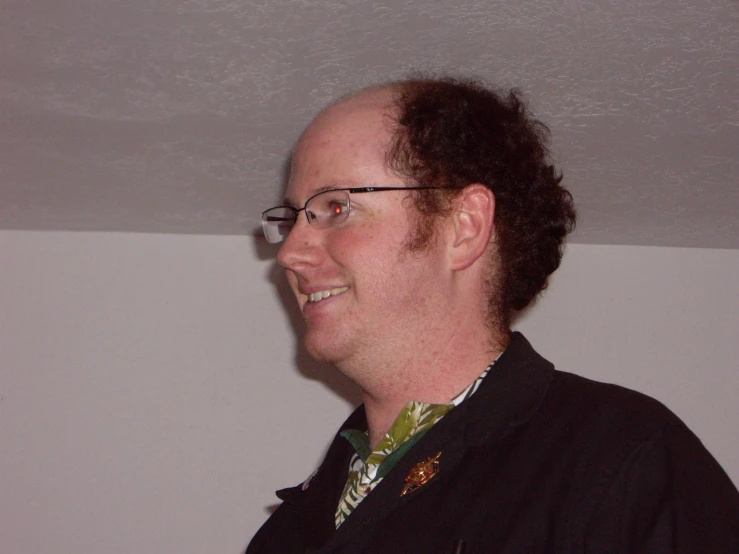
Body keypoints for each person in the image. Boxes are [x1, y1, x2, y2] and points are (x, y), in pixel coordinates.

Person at [249, 76, 739, 553]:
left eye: (337, 208)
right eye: (292, 219)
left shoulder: (623, 461)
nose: (291, 252)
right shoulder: (289, 532)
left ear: (464, 227)